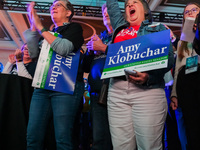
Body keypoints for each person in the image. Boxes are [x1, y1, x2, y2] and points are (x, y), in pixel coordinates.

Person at [105, 0, 174, 149]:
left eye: (134, 2)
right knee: (121, 146)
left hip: (148, 92)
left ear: (145, 9)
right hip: (116, 92)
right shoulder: (119, 27)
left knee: (149, 146)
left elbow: (168, 60)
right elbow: (111, 5)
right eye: (127, 4)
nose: (130, 5)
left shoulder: (158, 28)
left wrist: (149, 77)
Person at [23, 0, 84, 149]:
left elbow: (63, 48)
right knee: (32, 137)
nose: (53, 7)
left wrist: (41, 28)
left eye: (58, 5)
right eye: (52, 5)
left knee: (63, 139)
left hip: (65, 89)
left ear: (68, 13)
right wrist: (33, 24)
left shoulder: (74, 28)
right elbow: (33, 54)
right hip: (42, 89)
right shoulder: (48, 34)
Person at [82, 3, 113, 150]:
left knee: (117, 137)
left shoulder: (123, 36)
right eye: (103, 12)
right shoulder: (101, 37)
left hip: (116, 92)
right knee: (98, 138)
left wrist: (102, 48)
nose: (105, 14)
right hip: (96, 94)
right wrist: (89, 52)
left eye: (109, 11)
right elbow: (86, 67)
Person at [170, 2, 200, 150]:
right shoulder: (183, 41)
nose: (190, 13)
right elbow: (178, 68)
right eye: (186, 12)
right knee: (188, 134)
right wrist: (174, 94)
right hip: (185, 92)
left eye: (194, 10)